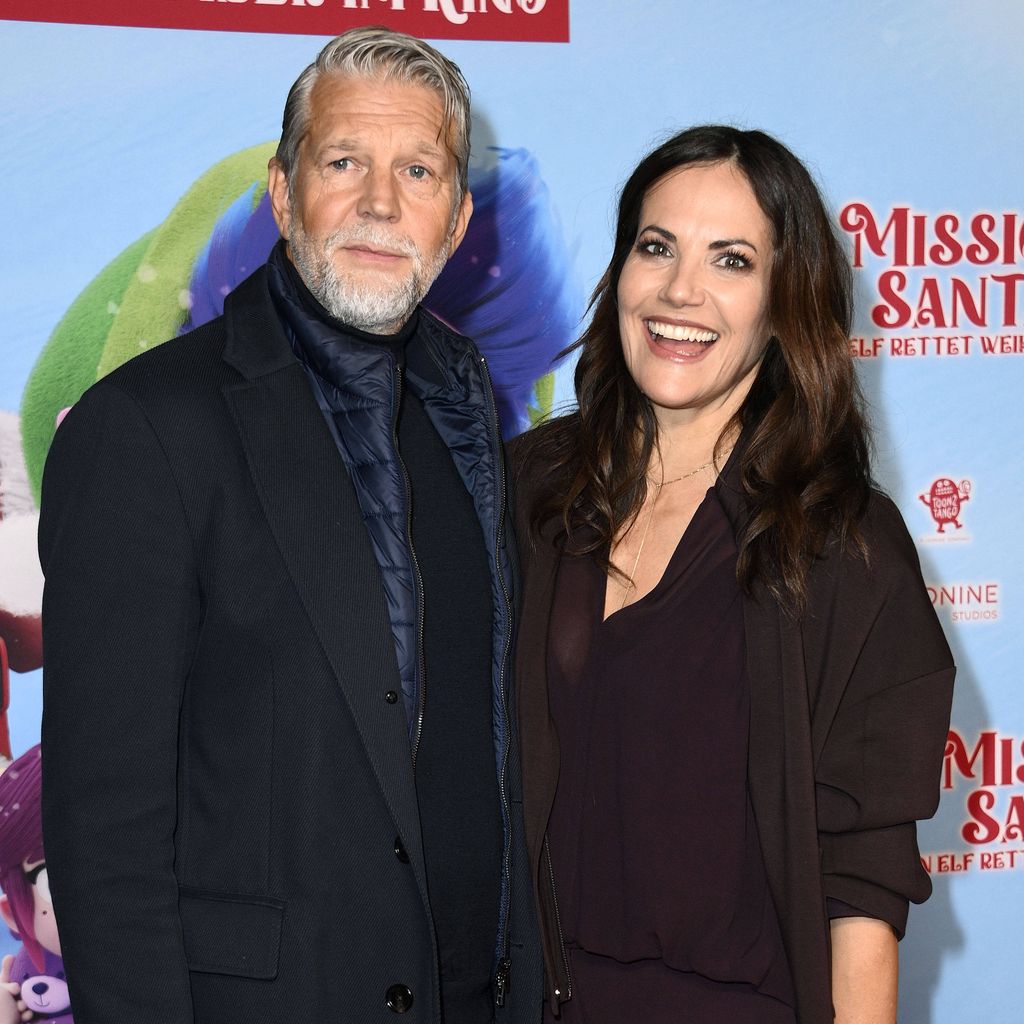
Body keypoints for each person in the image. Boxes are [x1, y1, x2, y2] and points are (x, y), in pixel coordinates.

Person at [38, 27, 541, 1024]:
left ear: (455, 220)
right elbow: (106, 827)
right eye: (343, 160)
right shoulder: (144, 428)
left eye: (418, 170)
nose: (380, 202)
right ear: (280, 191)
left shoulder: (468, 414)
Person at [511, 126, 954, 1024]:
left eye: (733, 261)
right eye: (657, 246)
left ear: (785, 303)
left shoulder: (845, 542)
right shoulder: (525, 490)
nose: (681, 291)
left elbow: (860, 883)